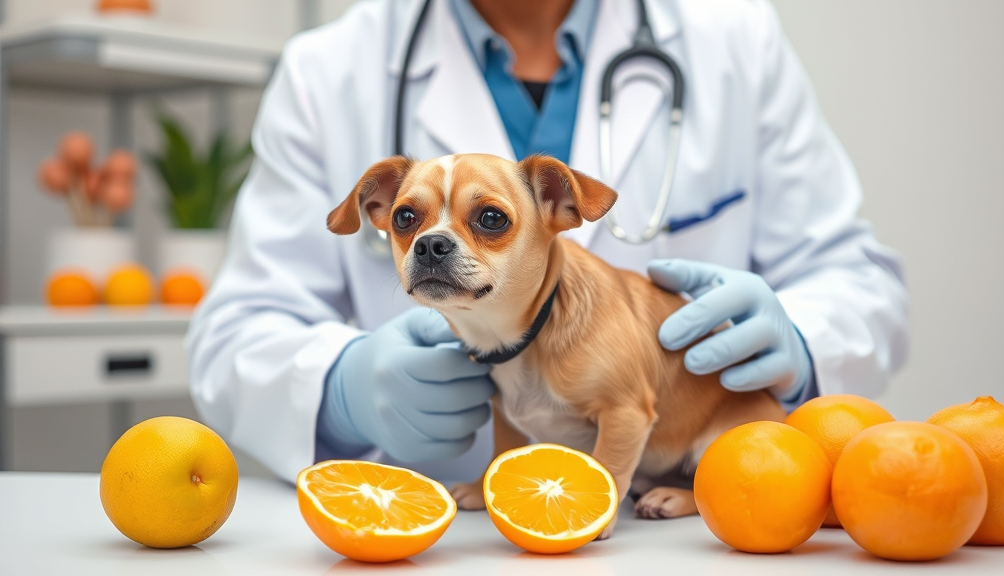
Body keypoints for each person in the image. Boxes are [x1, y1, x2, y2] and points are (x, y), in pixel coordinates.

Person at [186, 0, 908, 482]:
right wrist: (340, 387)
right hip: (437, 531)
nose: (435, 242)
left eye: (489, 220)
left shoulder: (733, 37)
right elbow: (236, 332)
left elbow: (854, 278)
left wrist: (806, 343)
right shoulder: (327, 68)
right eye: (409, 221)